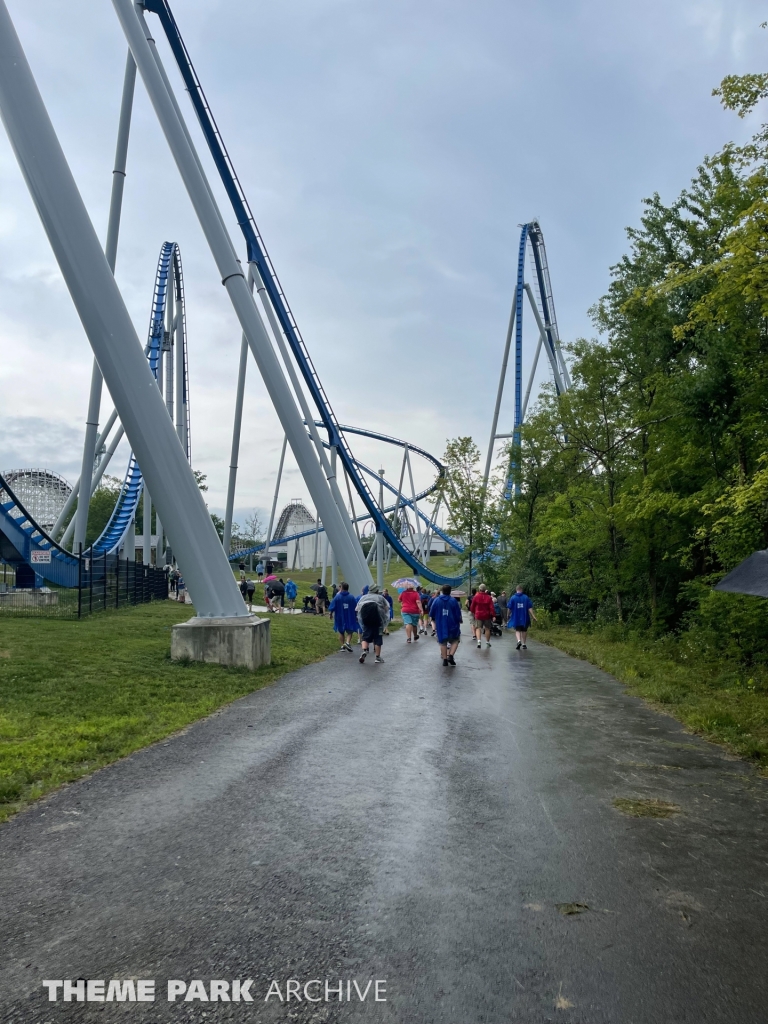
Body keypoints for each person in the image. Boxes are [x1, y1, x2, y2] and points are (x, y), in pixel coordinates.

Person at [355, 584, 390, 664]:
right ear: (376, 590)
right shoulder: (380, 598)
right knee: (378, 639)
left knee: (365, 638)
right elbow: (387, 608)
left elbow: (357, 609)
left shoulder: (363, 597)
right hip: (379, 623)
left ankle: (364, 650)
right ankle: (377, 657)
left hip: (366, 621)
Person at [430, 584, 463, 666]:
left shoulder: (437, 600)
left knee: (443, 642)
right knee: (455, 640)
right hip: (453, 624)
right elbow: (457, 613)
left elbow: (432, 612)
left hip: (441, 624)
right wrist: (459, 620)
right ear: (450, 591)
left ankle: (445, 660)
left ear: (442, 591)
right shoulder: (453, 601)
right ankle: (451, 655)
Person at [328, 582, 358, 652]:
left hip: (340, 616)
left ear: (341, 588)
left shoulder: (337, 597)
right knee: (350, 631)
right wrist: (356, 615)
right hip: (350, 616)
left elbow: (332, 606)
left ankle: (342, 646)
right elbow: (356, 607)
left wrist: (330, 614)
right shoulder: (351, 597)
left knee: (341, 631)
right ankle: (347, 642)